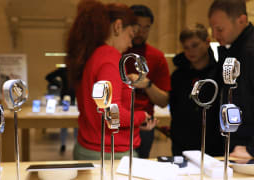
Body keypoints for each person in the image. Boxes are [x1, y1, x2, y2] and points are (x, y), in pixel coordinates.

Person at [66, 0, 154, 160]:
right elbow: (113, 114)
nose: (130, 44)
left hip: (92, 146)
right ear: (118, 27)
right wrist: (142, 116)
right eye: (130, 35)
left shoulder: (93, 55)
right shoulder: (110, 58)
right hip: (110, 153)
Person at [208, 0, 254, 159]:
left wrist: (251, 148)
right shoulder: (232, 49)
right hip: (233, 144)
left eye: (219, 29)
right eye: (212, 29)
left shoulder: (250, 51)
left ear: (241, 20)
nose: (214, 35)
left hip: (246, 149)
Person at [169, 23, 224, 156]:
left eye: (195, 45)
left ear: (207, 42)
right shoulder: (178, 75)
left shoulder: (219, 74)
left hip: (213, 143)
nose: (190, 51)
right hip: (182, 143)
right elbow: (175, 107)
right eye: (186, 47)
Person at [125, 5, 171, 158]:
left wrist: (148, 85)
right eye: (138, 26)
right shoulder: (116, 52)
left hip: (144, 124)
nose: (141, 32)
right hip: (118, 121)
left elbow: (164, 101)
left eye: (147, 27)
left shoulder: (156, 57)